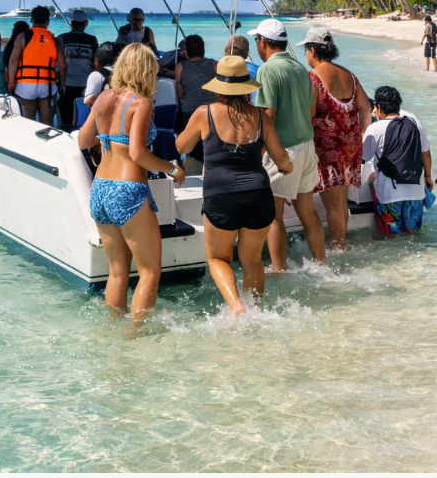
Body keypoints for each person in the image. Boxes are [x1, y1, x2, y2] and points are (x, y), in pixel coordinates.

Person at [176, 56, 293, 314]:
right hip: (258, 194)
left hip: (221, 196)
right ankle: (256, 310)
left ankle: (237, 307)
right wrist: (286, 168)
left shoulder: (204, 113)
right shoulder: (261, 117)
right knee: (252, 260)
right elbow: (281, 157)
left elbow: (181, 146)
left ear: (219, 86)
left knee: (218, 258)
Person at [77, 43, 183, 327]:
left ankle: (113, 332)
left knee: (117, 272)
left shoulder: (102, 98)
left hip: (100, 188)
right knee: (149, 272)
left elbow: (83, 141)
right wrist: (172, 168)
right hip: (127, 191)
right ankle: (136, 339)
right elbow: (138, 154)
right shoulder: (141, 103)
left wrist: (107, 140)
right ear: (146, 70)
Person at [248, 18, 325, 270]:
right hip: (306, 145)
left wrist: (256, 152)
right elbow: (311, 106)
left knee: (274, 216)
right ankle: (321, 265)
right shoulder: (300, 68)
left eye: (256, 41)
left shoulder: (267, 70)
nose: (256, 46)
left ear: (264, 42)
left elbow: (268, 115)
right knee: (308, 212)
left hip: (283, 149)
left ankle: (280, 271)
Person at [299, 27, 370, 250]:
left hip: (325, 148)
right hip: (349, 147)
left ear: (313, 51)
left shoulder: (312, 78)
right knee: (340, 203)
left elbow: (308, 117)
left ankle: (337, 247)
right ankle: (340, 244)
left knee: (332, 204)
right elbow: (366, 108)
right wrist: (361, 137)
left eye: (306, 50)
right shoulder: (349, 75)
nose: (305, 55)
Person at [363, 86, 432, 237]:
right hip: (416, 192)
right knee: (413, 235)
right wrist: (428, 177)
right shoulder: (415, 123)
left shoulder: (374, 128)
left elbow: (364, 158)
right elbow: (426, 154)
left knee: (392, 237)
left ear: (378, 107)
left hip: (390, 194)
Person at [6, 5, 67, 124]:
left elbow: (13, 59)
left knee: (29, 124)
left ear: (31, 20)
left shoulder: (22, 36)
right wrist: (62, 85)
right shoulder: (54, 40)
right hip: (48, 85)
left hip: (25, 85)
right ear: (47, 21)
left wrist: (11, 81)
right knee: (47, 125)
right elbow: (63, 66)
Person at [173, 34, 218, 165]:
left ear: (186, 51)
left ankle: (189, 162)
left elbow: (180, 95)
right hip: (211, 114)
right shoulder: (215, 65)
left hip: (189, 115)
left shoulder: (180, 67)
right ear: (203, 51)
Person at [56, 11, 99, 130]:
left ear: (71, 23)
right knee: (83, 116)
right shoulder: (92, 40)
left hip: (66, 84)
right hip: (86, 84)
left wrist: (60, 84)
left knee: (66, 116)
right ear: (86, 23)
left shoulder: (62, 38)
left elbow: (58, 63)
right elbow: (96, 63)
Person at [84, 42, 117, 106]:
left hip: (103, 113)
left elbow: (88, 100)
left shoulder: (96, 75)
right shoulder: (124, 73)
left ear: (97, 59)